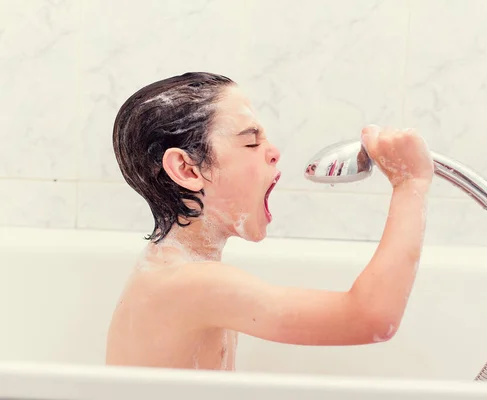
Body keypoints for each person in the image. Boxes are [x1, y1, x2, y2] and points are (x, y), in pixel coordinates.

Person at [106, 72, 434, 371]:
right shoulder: (189, 282)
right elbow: (370, 318)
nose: (273, 151)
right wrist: (410, 184)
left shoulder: (174, 269)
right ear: (188, 170)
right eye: (251, 141)